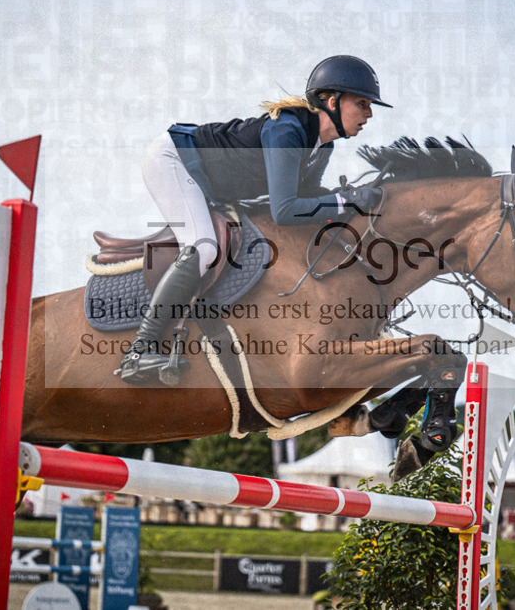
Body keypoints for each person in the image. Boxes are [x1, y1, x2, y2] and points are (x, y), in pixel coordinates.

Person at [119, 55, 391, 382]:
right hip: (174, 159)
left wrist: (351, 200)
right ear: (332, 101)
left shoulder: (322, 147)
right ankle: (139, 350)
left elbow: (309, 198)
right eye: (362, 103)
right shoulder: (288, 130)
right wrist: (344, 201)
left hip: (207, 181)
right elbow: (286, 210)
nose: (369, 113)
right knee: (203, 248)